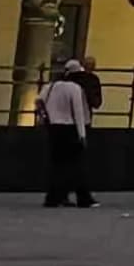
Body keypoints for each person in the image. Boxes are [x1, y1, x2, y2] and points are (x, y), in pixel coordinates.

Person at [39, 59, 97, 209]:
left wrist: (45, 117)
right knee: (76, 165)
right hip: (70, 128)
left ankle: (53, 198)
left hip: (53, 127)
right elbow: (78, 113)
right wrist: (82, 135)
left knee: (57, 164)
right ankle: (84, 198)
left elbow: (39, 101)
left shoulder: (50, 86)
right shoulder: (75, 88)